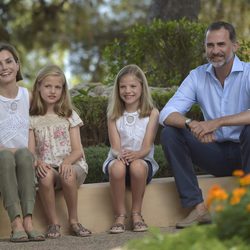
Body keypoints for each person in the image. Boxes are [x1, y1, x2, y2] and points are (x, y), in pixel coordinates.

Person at [160, 21, 250, 229]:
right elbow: (166, 113)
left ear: (234, 46)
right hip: (214, 153)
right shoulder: (197, 76)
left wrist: (216, 123)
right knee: (170, 133)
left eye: (221, 44)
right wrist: (192, 124)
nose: (215, 51)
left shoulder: (247, 73)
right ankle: (198, 208)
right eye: (210, 45)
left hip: (246, 152)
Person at [28, 64, 91, 238]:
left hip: (72, 165)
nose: (52, 91)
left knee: (67, 173)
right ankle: (53, 223)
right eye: (48, 86)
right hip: (48, 167)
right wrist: (38, 161)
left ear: (63, 90)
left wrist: (67, 161)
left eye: (58, 87)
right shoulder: (32, 119)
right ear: (39, 86)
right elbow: (31, 151)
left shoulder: (69, 115)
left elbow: (78, 150)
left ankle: (74, 221)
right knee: (44, 175)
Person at [103, 64, 159, 234]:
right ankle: (120, 215)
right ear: (118, 89)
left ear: (142, 87)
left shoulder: (152, 113)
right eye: (123, 87)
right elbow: (115, 147)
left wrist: (136, 155)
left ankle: (136, 214)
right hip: (118, 160)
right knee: (118, 167)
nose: (128, 91)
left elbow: (147, 147)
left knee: (137, 165)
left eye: (133, 86)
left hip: (142, 162)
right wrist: (121, 155)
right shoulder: (113, 115)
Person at [0, 43, 45, 242]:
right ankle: (15, 222)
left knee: (25, 155)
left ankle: (28, 220)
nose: (4, 67)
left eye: (8, 61)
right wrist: (9, 150)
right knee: (5, 157)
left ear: (17, 65)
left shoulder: (28, 96)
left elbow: (32, 128)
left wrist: (32, 154)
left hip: (24, 158)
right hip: (2, 158)